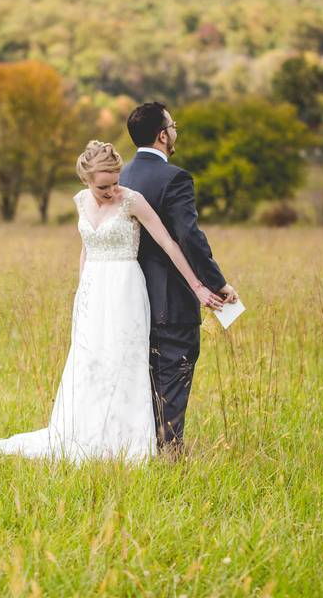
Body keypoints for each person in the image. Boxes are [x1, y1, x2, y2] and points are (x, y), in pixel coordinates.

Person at [0, 140, 224, 463]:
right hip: (92, 291)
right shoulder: (81, 202)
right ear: (86, 180)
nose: (112, 190)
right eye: (104, 186)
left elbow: (169, 244)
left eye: (116, 182)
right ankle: (85, 434)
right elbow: (86, 247)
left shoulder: (132, 201)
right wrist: (81, 291)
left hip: (125, 290)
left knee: (123, 361)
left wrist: (198, 286)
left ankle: (125, 440)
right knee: (90, 361)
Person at [120, 102, 238, 458]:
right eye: (173, 126)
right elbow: (189, 236)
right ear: (162, 134)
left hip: (130, 295)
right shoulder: (176, 178)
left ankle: (141, 449)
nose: (175, 131)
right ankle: (170, 454)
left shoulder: (122, 175)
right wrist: (217, 283)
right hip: (171, 297)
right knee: (173, 372)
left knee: (143, 376)